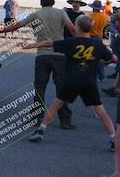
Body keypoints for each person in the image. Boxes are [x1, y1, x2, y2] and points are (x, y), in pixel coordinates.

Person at [25, 15, 117, 151]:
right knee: (101, 111)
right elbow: (114, 58)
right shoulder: (97, 44)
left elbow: (49, 43)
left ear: (77, 27)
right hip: (89, 83)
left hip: (72, 81)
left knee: (55, 105)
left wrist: (32, 45)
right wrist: (103, 63)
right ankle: (113, 138)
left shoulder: (71, 42)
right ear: (90, 29)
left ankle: (41, 131)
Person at [1, 0, 78, 129]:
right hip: (59, 55)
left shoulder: (36, 15)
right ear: (53, 2)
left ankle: (36, 118)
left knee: (39, 88)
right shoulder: (61, 13)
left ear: (41, 2)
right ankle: (65, 120)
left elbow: (16, 25)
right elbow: (72, 29)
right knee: (61, 88)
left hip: (42, 56)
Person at [88, 0, 107, 82]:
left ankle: (91, 75)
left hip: (91, 37)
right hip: (99, 37)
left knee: (90, 57)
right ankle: (101, 76)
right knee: (99, 57)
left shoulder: (90, 16)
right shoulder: (104, 17)